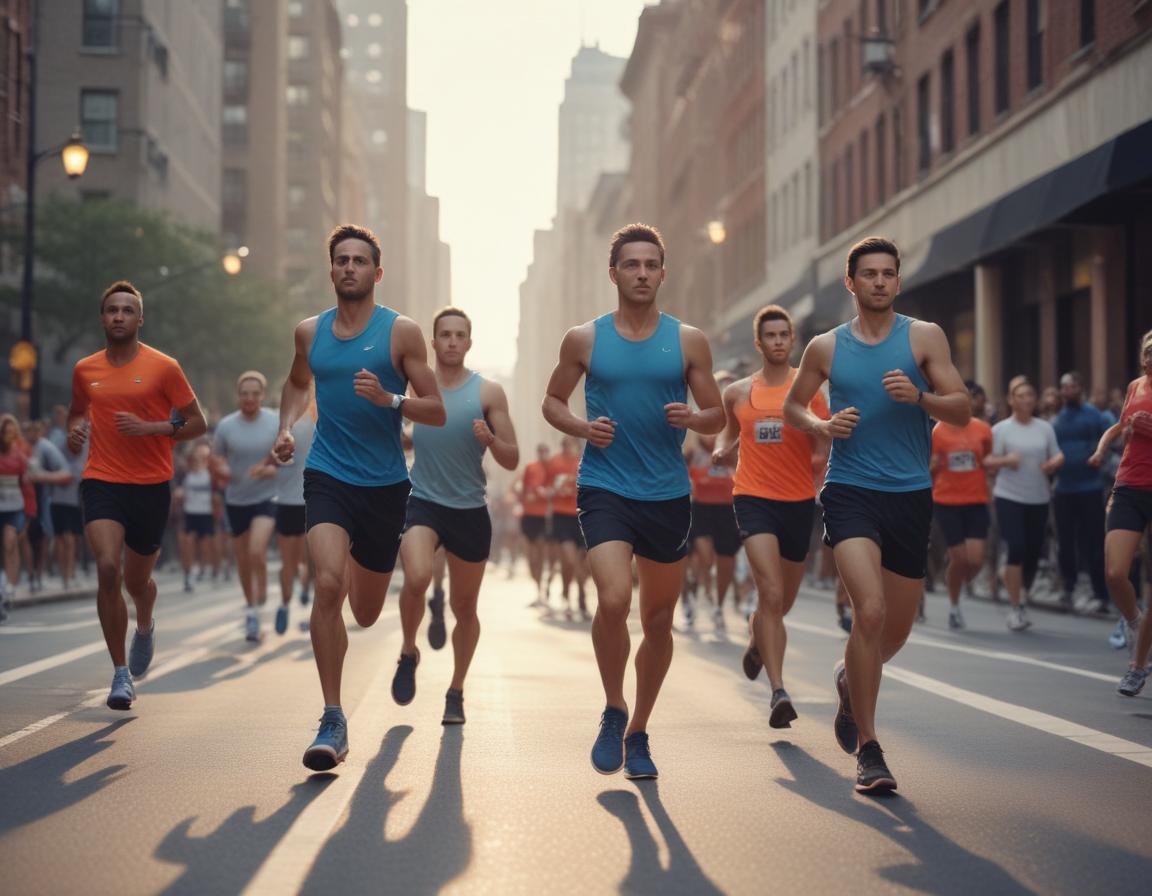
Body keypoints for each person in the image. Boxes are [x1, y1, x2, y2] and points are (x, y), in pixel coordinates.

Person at [784, 236, 970, 794]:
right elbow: (794, 406)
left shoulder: (924, 337)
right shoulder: (825, 347)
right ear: (851, 282)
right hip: (850, 490)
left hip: (910, 494)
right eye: (870, 274)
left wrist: (920, 398)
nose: (880, 282)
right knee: (868, 610)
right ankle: (869, 748)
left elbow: (961, 409)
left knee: (894, 631)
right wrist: (821, 426)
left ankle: (850, 678)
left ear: (898, 281)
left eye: (889, 273)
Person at [543, 223, 724, 780]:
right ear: (614, 273)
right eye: (631, 265)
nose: (641, 274)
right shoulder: (584, 339)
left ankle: (639, 729)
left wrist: (694, 418)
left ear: (662, 274)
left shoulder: (688, 340)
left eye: (650, 265)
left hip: (667, 493)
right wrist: (581, 427)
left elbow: (717, 416)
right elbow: (552, 401)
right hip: (605, 486)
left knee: (659, 619)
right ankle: (614, 706)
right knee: (615, 597)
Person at [273, 224, 444, 772]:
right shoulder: (309, 332)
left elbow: (436, 409)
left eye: (360, 260)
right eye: (342, 260)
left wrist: (390, 399)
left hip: (385, 486)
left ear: (377, 271)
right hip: (327, 474)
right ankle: (332, 716)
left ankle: (364, 590)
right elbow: (297, 382)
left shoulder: (401, 333)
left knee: (366, 612)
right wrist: (285, 427)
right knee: (327, 584)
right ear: (331, 269)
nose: (350, 267)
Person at [67, 280, 206, 710]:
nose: (119, 316)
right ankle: (120, 673)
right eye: (113, 310)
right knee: (108, 568)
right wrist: (75, 433)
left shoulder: (164, 367)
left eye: (128, 310)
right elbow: (76, 414)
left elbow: (197, 423)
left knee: (136, 581)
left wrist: (153, 428)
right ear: (102, 318)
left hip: (151, 486)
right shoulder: (85, 370)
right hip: (102, 480)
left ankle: (144, 624)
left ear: (140, 319)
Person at [394, 307, 519, 723]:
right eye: (444, 334)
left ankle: (456, 689)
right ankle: (408, 651)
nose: (451, 341)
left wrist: (490, 439)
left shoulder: (488, 393)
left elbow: (512, 457)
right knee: (416, 576)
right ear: (432, 342)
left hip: (469, 510)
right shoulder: (416, 390)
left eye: (459, 334)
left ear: (469, 343)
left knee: (464, 608)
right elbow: (399, 432)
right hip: (423, 501)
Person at [713, 304, 829, 728]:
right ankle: (779, 691)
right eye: (771, 336)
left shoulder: (809, 390)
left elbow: (823, 441)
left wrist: (820, 448)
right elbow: (726, 434)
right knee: (771, 592)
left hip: (798, 501)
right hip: (753, 497)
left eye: (784, 335)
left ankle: (757, 635)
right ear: (759, 343)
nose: (778, 341)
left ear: (792, 340)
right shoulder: (737, 392)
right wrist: (721, 450)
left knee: (781, 603)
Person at [1089, 330, 1152, 695]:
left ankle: (1137, 667)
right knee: (1115, 573)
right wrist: (1101, 450)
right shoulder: (1135, 387)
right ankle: (1134, 621)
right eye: (1148, 350)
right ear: (1142, 357)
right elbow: (1120, 425)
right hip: (1128, 485)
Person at [985, 376, 1064, 632]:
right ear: (1011, 400)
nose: (1027, 399)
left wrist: (1053, 463)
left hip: (1038, 497)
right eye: (1021, 396)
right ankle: (1016, 608)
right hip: (1008, 496)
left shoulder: (1045, 428)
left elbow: (1057, 454)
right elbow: (987, 462)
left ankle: (1017, 584)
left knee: (1033, 551)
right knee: (1016, 547)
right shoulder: (1001, 429)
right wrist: (1006, 460)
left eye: (1030, 395)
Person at [213, 371, 280, 642]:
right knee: (242, 559)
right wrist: (221, 470)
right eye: (244, 393)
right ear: (238, 395)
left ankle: (262, 585)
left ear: (262, 395)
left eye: (254, 393)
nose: (249, 398)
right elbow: (215, 460)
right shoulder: (226, 426)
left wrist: (271, 470)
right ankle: (252, 610)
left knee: (256, 550)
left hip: (267, 496)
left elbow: (288, 459)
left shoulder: (275, 421)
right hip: (236, 498)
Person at [929, 381, 993, 630]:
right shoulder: (938, 431)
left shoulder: (983, 429)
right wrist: (933, 466)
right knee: (959, 558)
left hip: (976, 499)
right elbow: (929, 466)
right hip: (947, 500)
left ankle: (956, 577)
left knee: (975, 560)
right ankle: (954, 606)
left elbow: (986, 458)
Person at [1052, 371, 1109, 614]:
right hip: (1063, 489)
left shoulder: (1095, 416)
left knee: (1095, 541)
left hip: (1091, 488)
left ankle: (1100, 594)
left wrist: (1098, 459)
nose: (1069, 390)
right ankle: (1068, 589)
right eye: (1065, 387)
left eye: (1073, 386)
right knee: (1065, 543)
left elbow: (1108, 444)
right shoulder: (1056, 421)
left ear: (1081, 388)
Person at [273, 405, 315, 635]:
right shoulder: (279, 424)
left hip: (313, 501)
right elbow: (269, 457)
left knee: (311, 562)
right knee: (291, 562)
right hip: (288, 502)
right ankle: (285, 604)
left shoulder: (321, 419)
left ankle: (309, 608)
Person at [546, 435, 589, 620]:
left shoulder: (583, 462)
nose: (567, 446)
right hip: (561, 516)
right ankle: (567, 598)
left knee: (583, 564)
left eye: (570, 443)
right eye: (564, 443)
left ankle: (581, 597)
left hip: (581, 515)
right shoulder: (554, 462)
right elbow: (545, 488)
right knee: (569, 561)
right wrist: (555, 489)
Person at [176, 442, 217, 592]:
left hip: (206, 513)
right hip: (189, 513)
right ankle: (188, 574)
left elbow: (217, 493)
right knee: (188, 544)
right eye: (193, 459)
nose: (196, 461)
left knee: (204, 546)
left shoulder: (210, 475)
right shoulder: (184, 475)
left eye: (199, 458)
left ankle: (203, 567)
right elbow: (178, 492)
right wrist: (179, 495)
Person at [517, 444, 552, 606]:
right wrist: (522, 500)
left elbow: (555, 489)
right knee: (531, 558)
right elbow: (523, 489)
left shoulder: (553, 468)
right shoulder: (530, 467)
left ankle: (541, 592)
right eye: (540, 452)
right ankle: (538, 589)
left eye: (545, 452)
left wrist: (544, 493)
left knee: (541, 556)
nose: (543, 454)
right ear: (537, 453)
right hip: (528, 516)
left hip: (544, 516)